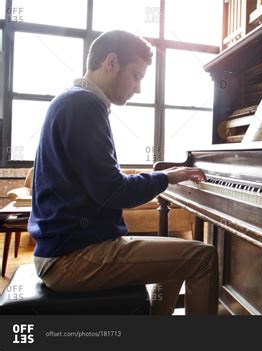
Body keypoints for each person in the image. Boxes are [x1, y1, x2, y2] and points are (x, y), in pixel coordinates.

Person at [27, 30, 218, 315]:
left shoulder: (74, 100)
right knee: (203, 257)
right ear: (111, 62)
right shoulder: (83, 105)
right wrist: (167, 177)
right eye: (137, 76)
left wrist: (163, 177)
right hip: (71, 258)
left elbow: (101, 184)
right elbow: (113, 191)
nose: (138, 88)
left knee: (177, 254)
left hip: (67, 250)